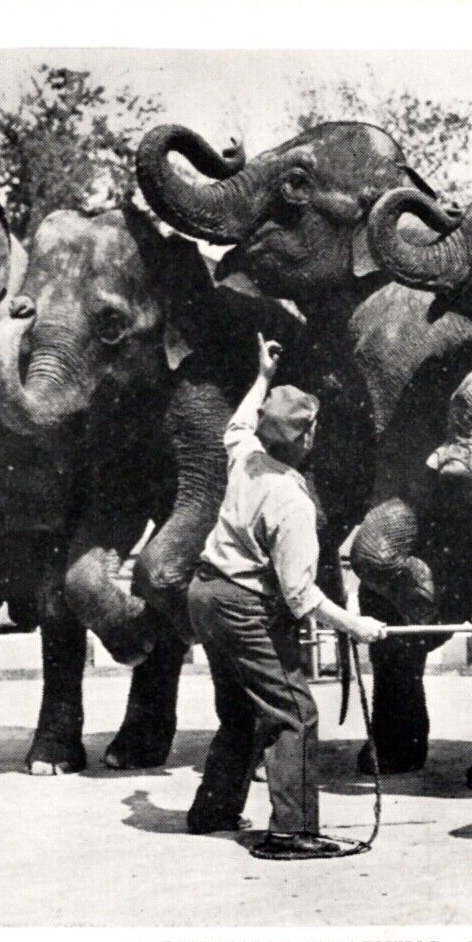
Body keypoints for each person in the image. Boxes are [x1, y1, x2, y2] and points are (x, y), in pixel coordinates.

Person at [185, 332, 389, 859]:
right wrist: (357, 627)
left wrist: (262, 378)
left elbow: (238, 423)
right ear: (304, 439)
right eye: (311, 426)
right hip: (242, 605)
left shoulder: (247, 457)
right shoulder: (290, 499)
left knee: (242, 709)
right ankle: (292, 832)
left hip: (204, 594)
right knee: (293, 710)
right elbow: (301, 596)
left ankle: (214, 809)